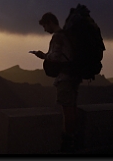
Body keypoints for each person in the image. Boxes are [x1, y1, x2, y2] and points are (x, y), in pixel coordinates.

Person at [32, 12, 82, 152]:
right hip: (74, 77)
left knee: (66, 109)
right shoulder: (67, 35)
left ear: (50, 22)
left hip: (65, 78)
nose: (45, 29)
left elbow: (55, 57)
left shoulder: (58, 36)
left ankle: (68, 142)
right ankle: (73, 138)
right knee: (72, 107)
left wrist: (42, 55)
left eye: (45, 26)